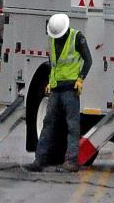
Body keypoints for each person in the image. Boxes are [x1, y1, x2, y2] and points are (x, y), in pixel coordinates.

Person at [25, 12, 92, 173]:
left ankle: (71, 161)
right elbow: (53, 64)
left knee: (72, 127)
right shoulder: (53, 39)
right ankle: (40, 159)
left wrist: (80, 78)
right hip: (55, 90)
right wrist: (50, 81)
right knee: (48, 124)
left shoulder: (77, 38)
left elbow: (88, 60)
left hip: (70, 90)